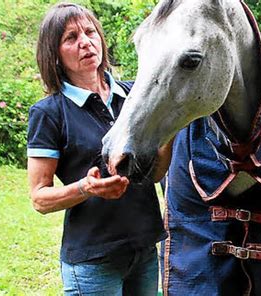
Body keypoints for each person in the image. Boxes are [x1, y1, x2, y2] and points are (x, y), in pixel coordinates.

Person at [27, 3, 166, 295]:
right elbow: (40, 198)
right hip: (93, 262)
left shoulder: (134, 97)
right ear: (54, 54)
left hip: (144, 251)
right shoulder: (50, 113)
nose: (85, 42)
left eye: (90, 32)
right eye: (71, 38)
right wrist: (85, 188)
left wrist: (172, 126)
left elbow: (153, 174)